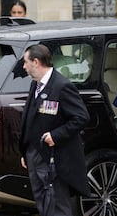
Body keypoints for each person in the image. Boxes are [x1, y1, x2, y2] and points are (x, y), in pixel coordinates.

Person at [19, 44, 90, 216]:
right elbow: (31, 119)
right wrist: (25, 151)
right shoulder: (35, 85)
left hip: (54, 156)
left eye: (26, 62)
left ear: (36, 62)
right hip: (34, 154)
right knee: (43, 203)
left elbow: (81, 117)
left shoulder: (62, 86)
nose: (24, 66)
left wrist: (56, 135)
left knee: (57, 205)